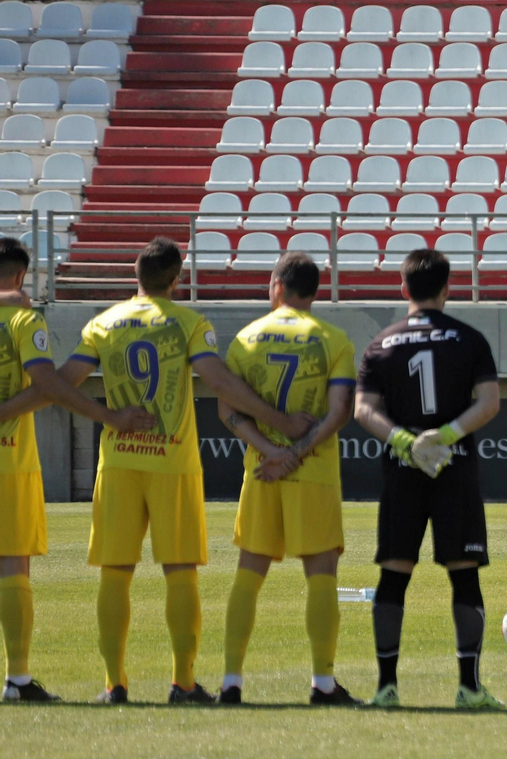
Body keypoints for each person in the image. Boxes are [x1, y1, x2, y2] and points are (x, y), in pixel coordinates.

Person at [58, 237, 316, 704]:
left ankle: (114, 685)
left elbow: (64, 384)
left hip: (117, 462)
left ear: (135, 277)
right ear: (177, 279)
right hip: (172, 462)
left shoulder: (104, 322)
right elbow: (217, 381)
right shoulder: (189, 323)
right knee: (180, 572)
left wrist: (110, 418)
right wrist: (278, 422)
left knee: (115, 573)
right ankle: (183, 683)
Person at [0, 242, 157, 701]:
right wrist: (109, 417)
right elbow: (48, 384)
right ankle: (18, 678)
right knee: (12, 563)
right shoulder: (24, 320)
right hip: (9, 460)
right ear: (21, 278)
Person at [354, 249, 503, 709]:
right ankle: (469, 689)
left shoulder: (382, 342)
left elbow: (364, 410)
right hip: (455, 470)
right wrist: (447, 435)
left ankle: (386, 689)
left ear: (403, 288)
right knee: (464, 576)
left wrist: (407, 442)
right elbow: (490, 402)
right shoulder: (471, 339)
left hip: (403, 472)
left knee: (393, 575)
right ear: (447, 289)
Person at [214, 252, 360, 705]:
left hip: (261, 473)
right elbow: (340, 412)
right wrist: (296, 452)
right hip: (312, 473)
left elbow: (227, 410)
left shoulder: (245, 338)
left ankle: (231, 682)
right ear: (314, 291)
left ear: (276, 285)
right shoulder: (333, 339)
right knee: (320, 574)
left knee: (249, 573)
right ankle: (323, 683)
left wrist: (273, 453)